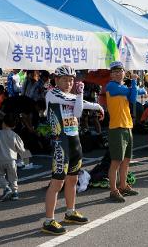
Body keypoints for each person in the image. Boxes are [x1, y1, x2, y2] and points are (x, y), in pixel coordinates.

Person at [42, 65, 104, 235]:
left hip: (74, 141)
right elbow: (77, 109)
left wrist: (97, 106)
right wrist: (81, 95)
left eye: (71, 80)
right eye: (64, 79)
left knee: (73, 180)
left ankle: (70, 212)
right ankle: (48, 220)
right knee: (57, 183)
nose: (69, 82)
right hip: (61, 142)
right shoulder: (52, 94)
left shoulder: (71, 95)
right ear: (56, 80)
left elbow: (79, 105)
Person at [106, 61, 145, 202]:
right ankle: (113, 190)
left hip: (127, 126)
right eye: (114, 72)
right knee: (116, 161)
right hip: (116, 128)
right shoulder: (111, 86)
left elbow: (134, 97)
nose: (117, 74)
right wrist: (135, 83)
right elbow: (133, 94)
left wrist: (137, 88)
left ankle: (123, 185)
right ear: (111, 75)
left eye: (120, 71)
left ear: (124, 72)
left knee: (126, 160)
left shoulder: (124, 87)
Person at [0, 114, 31, 201]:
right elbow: (22, 149)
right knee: (13, 177)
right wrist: (27, 161)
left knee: (0, 175)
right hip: (12, 160)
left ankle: (6, 188)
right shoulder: (15, 135)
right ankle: (15, 193)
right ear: (14, 126)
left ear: (3, 123)